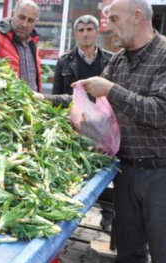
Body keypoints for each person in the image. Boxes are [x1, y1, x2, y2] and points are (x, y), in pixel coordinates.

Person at [76, 0, 166, 263]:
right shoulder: (119, 61)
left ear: (137, 17)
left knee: (165, 260)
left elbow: (159, 111)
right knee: (129, 257)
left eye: (114, 19)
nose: (107, 27)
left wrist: (110, 90)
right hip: (127, 171)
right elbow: (90, 96)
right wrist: (41, 99)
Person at [35, 15, 114, 231]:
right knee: (80, 168)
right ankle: (73, 209)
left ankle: (107, 213)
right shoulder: (65, 61)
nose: (86, 33)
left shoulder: (110, 60)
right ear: (75, 34)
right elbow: (59, 94)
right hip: (76, 125)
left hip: (104, 126)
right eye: (81, 30)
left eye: (90, 29)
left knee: (105, 170)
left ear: (97, 33)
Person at [0, 0, 42, 92]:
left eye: (30, 20)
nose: (24, 24)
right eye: (21, 17)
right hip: (8, 105)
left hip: (32, 105)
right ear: (12, 14)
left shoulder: (32, 43)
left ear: (35, 22)